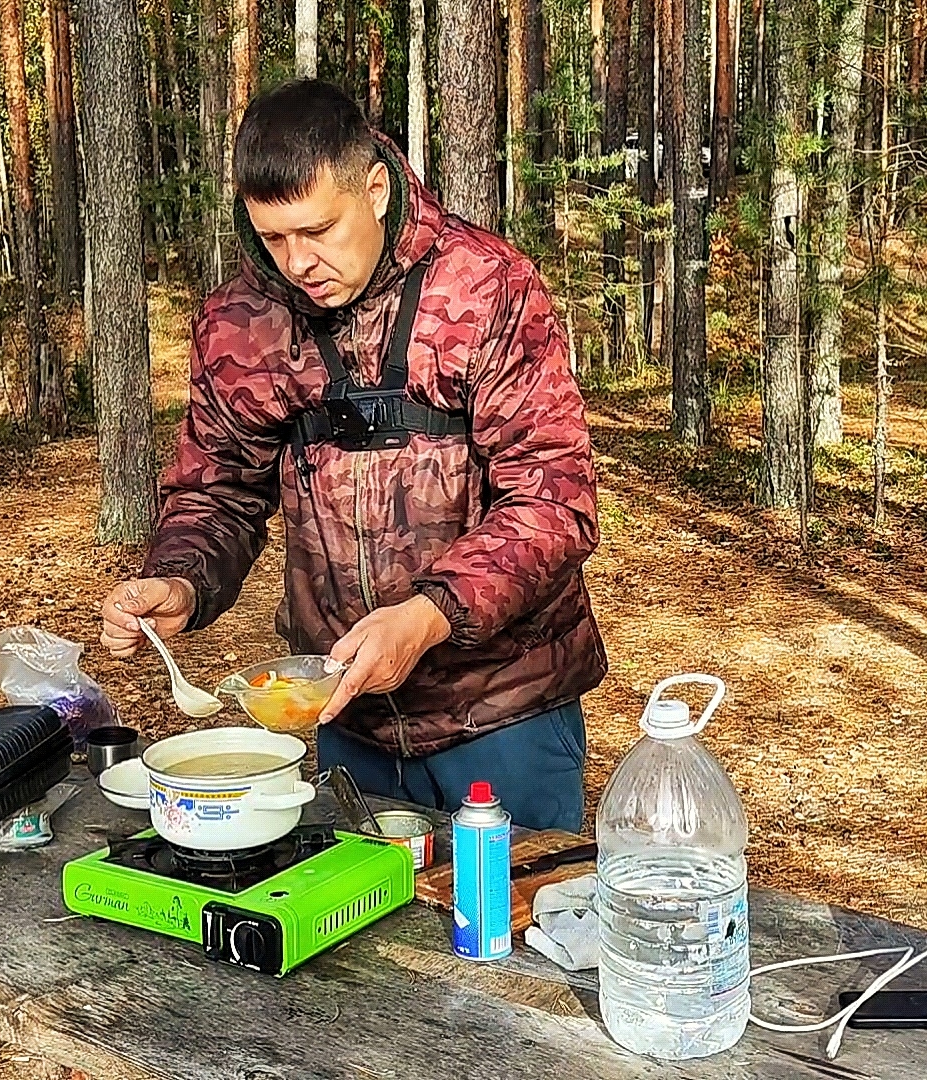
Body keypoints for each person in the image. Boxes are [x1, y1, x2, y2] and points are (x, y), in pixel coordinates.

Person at [99, 80, 605, 832]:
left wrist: (430, 615)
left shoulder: (488, 286)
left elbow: (554, 501)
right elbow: (217, 491)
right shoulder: (242, 323)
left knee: (510, 936)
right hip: (345, 717)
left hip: (505, 711)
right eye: (273, 238)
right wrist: (180, 579)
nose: (298, 262)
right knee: (361, 937)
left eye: (319, 230)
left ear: (373, 188)